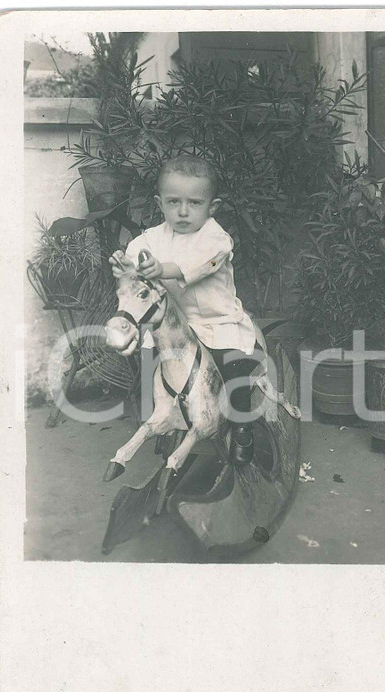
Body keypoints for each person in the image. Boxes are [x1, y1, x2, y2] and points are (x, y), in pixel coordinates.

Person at [109, 155, 260, 465]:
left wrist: (161, 268)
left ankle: (242, 425)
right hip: (176, 325)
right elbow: (135, 268)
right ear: (159, 202)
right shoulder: (151, 239)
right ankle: (165, 420)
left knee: (234, 362)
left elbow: (195, 265)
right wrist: (124, 266)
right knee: (154, 360)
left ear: (212, 207)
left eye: (194, 203)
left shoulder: (216, 239)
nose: (182, 211)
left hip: (216, 322)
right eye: (173, 201)